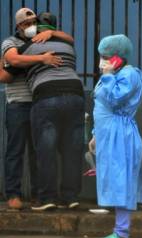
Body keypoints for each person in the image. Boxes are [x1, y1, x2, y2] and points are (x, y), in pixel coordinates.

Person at [3, 12, 85, 211]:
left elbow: (7, 70)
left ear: (40, 26)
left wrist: (39, 51)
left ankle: (45, 197)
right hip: (65, 96)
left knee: (42, 151)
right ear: (18, 26)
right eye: (26, 23)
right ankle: (69, 196)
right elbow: (10, 64)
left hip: (44, 99)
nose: (30, 25)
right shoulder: (67, 46)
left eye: (33, 22)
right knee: (70, 149)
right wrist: (42, 58)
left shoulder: (28, 46)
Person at [89, 34, 142, 238]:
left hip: (120, 135)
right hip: (107, 135)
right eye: (101, 56)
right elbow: (101, 106)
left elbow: (114, 99)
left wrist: (107, 75)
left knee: (121, 183)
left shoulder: (129, 74)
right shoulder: (113, 74)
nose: (102, 60)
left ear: (118, 57)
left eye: (107, 56)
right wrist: (96, 134)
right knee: (114, 182)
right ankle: (119, 232)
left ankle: (122, 233)